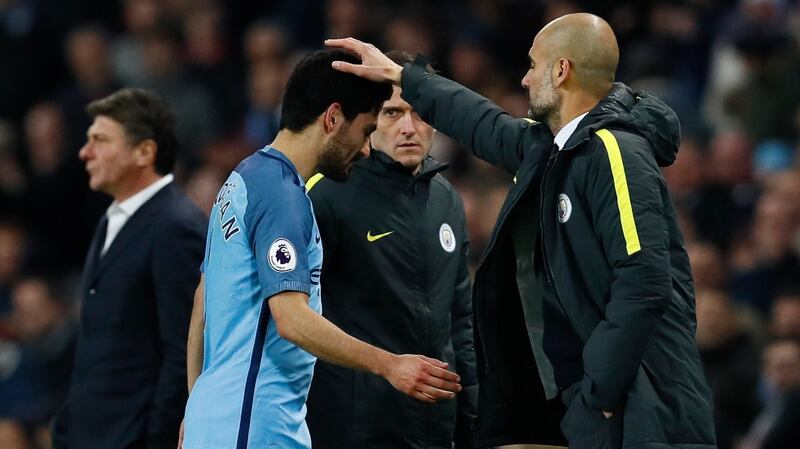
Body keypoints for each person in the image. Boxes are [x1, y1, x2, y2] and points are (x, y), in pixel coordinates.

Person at [327, 12, 717, 449]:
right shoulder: (555, 149)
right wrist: (405, 77)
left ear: (561, 71)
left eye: (533, 66)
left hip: (645, 409)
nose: (526, 80)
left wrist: (600, 393)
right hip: (600, 406)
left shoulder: (614, 150)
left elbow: (644, 280)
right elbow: (483, 123)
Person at [181, 50, 462, 449]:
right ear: (332, 119)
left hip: (221, 420)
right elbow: (291, 319)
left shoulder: (242, 180)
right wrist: (389, 365)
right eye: (365, 131)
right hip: (256, 424)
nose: (365, 150)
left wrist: (197, 408)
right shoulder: (284, 198)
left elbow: (201, 304)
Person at [304, 51, 477, 449]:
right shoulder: (326, 193)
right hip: (354, 426)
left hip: (434, 424)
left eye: (421, 114)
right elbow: (293, 315)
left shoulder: (447, 200)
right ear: (368, 121)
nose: (409, 128)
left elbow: (460, 318)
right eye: (393, 113)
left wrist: (470, 412)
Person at [51, 88, 207, 449]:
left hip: (132, 439)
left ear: (144, 152)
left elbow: (181, 350)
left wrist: (155, 439)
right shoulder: (112, 218)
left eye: (99, 140)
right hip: (88, 434)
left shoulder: (175, 226)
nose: (84, 152)